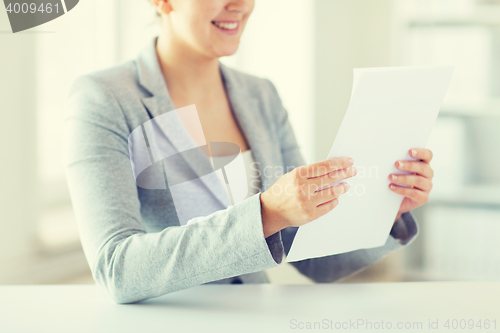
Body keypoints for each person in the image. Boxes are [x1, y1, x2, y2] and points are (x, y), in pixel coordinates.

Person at [64, 0, 434, 304]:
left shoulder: (260, 96)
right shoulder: (104, 98)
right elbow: (117, 267)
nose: (239, 5)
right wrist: (267, 213)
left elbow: (311, 256)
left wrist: (385, 213)